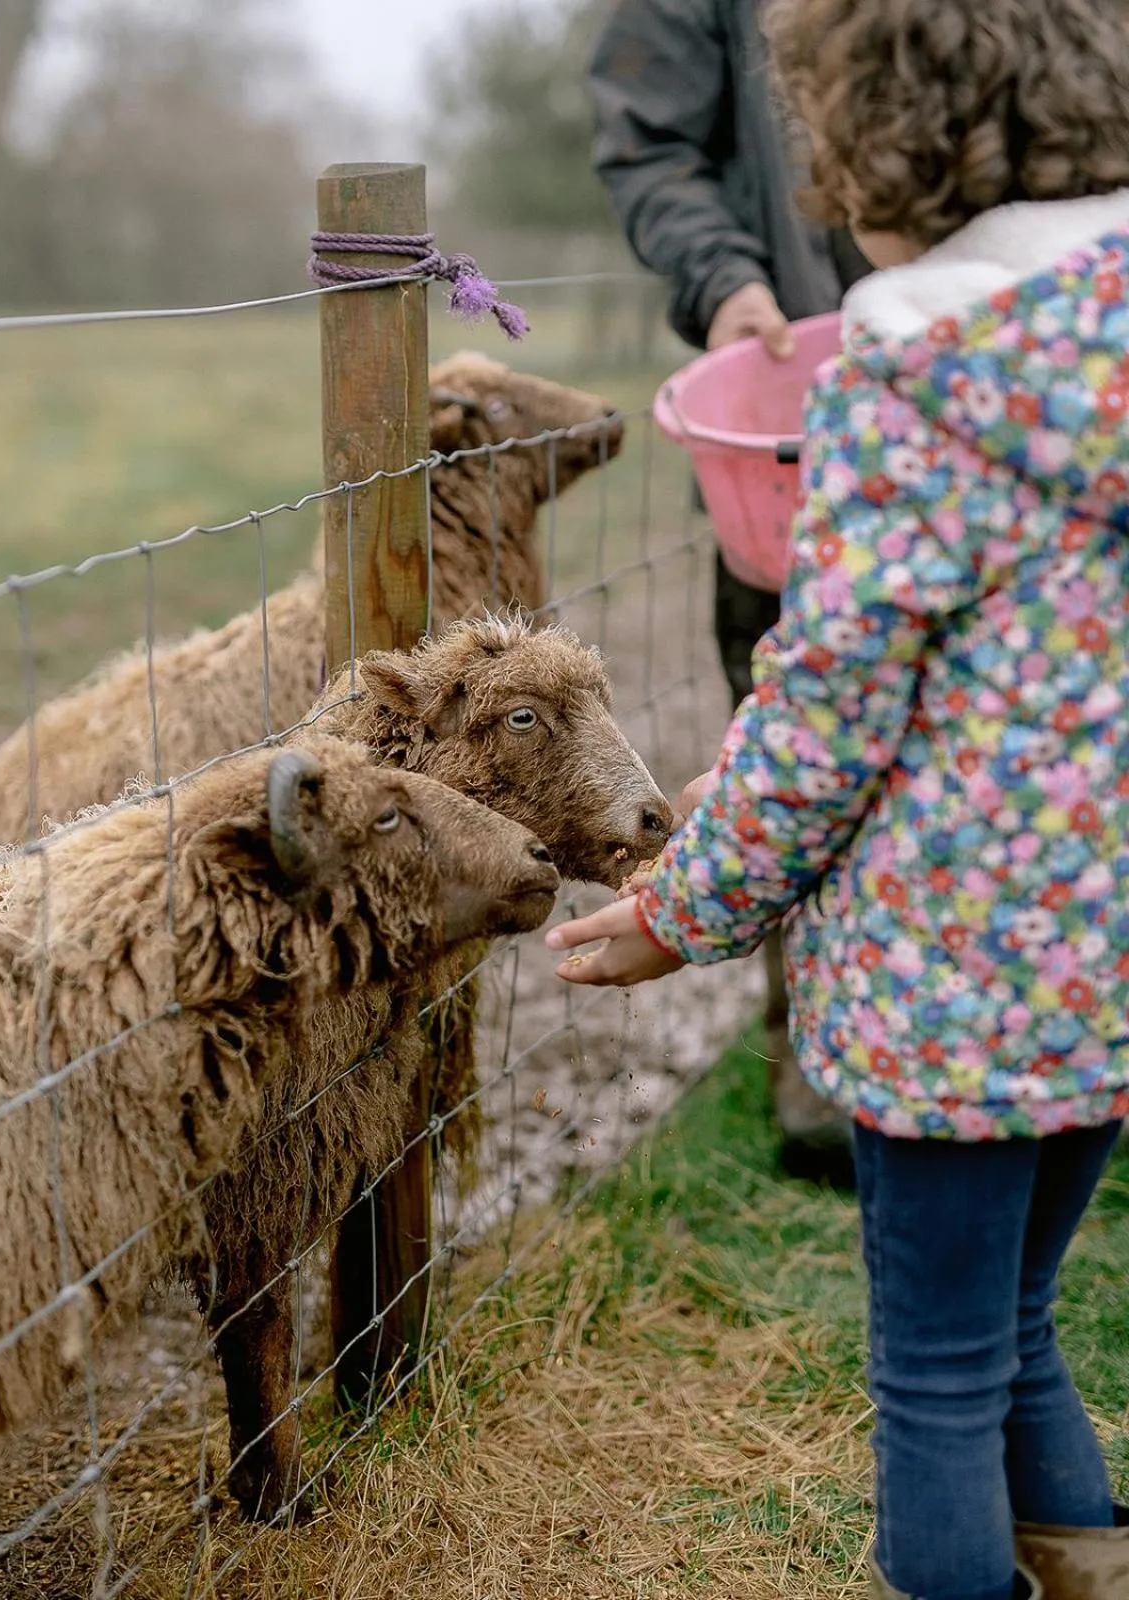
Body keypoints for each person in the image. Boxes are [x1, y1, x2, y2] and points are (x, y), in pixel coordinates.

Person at [554, 0, 1129, 1594]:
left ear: (879, 140)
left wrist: (684, 909)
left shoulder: (904, 370)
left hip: (953, 985)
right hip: (1115, 974)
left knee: (938, 1375)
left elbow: (820, 719)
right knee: (1015, 1321)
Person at [588, 0, 873, 1185]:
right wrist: (724, 278)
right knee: (801, 733)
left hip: (1006, 383)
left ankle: (1039, 1049)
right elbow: (648, 136)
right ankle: (823, 1073)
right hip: (787, 424)